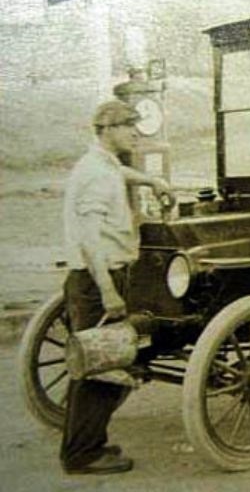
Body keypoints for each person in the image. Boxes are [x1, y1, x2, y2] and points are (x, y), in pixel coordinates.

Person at [60, 100, 171, 475]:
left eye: (136, 124)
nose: (135, 132)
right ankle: (83, 454)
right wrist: (108, 290)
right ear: (106, 130)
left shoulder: (101, 164)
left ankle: (82, 440)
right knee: (104, 366)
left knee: (94, 363)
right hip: (98, 279)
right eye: (127, 125)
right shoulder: (95, 174)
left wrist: (151, 180)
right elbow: (90, 241)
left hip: (93, 278)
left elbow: (118, 172)